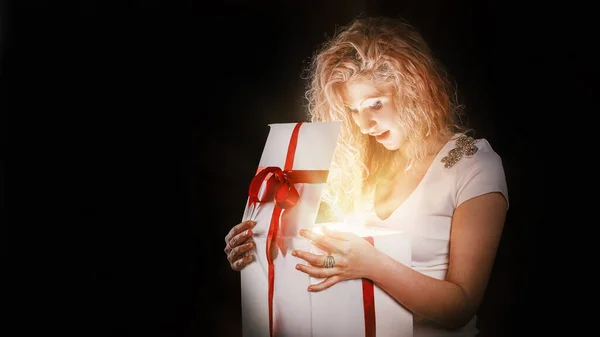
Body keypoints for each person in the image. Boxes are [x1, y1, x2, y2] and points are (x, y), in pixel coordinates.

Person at [224, 15, 508, 336]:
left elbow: (462, 304)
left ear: (416, 88)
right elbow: (343, 268)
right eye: (354, 110)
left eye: (375, 103)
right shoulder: (365, 168)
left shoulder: (474, 165)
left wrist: (372, 263)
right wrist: (263, 253)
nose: (364, 124)